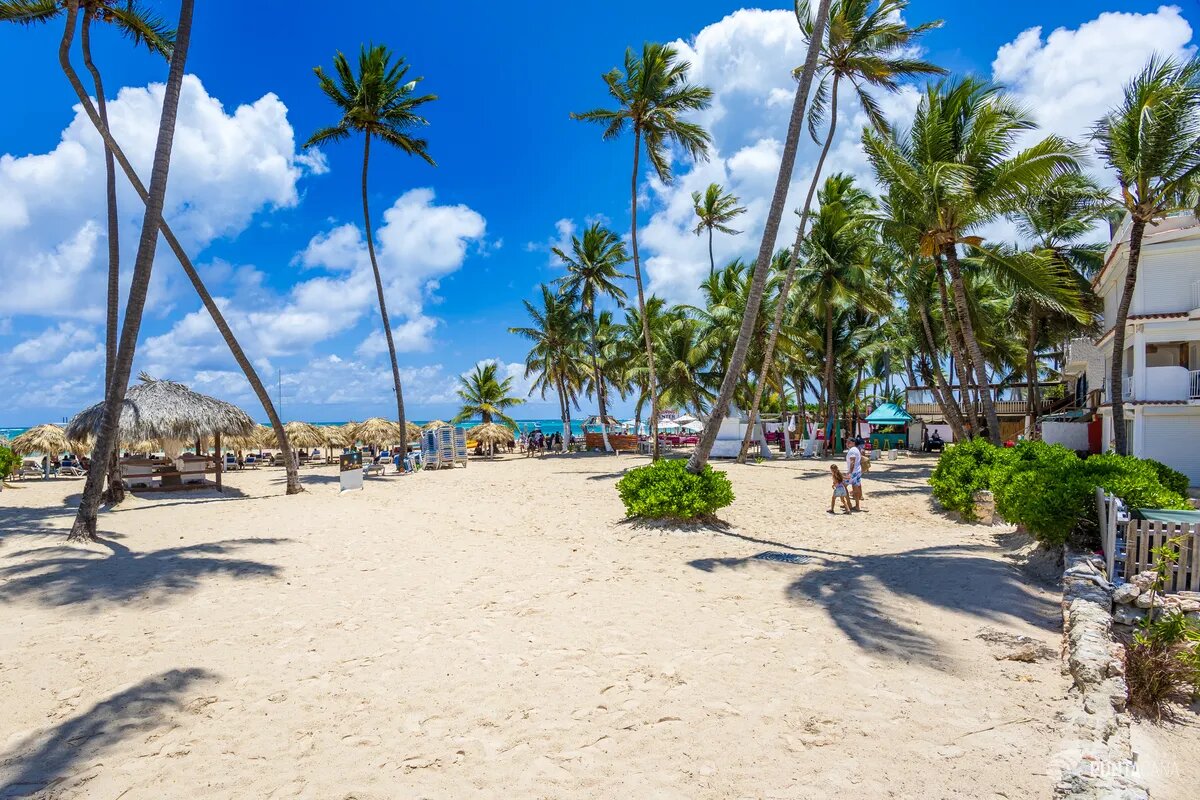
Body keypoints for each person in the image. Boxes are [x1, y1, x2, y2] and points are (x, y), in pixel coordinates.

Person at [845, 437, 864, 512]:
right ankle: (857, 506)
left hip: (853, 472)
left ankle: (848, 504)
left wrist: (849, 472)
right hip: (857, 471)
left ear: (853, 443)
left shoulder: (852, 450)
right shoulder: (856, 449)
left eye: (848, 442)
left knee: (843, 486)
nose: (847, 443)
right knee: (855, 489)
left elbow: (852, 462)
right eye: (847, 442)